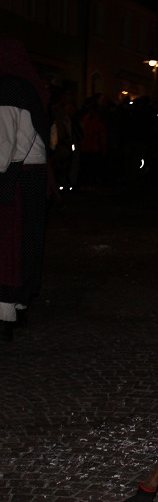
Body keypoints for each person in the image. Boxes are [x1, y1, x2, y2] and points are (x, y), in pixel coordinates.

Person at [0, 38, 51, 342]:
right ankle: (16, 305)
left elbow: (4, 143)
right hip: (31, 176)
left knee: (10, 243)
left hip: (13, 178)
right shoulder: (29, 85)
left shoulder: (8, 87)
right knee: (26, 241)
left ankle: (5, 310)